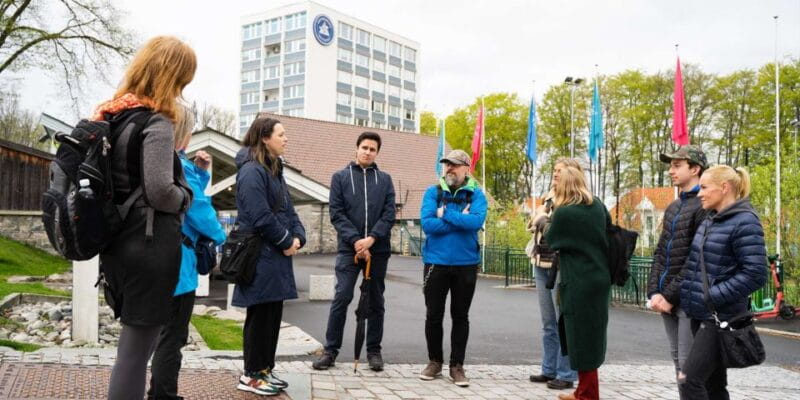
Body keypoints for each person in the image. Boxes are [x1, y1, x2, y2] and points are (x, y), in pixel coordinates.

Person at [96, 36, 196, 400]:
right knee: (137, 353)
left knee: (131, 349)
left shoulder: (115, 115)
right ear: (170, 75)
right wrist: (185, 196)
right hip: (149, 248)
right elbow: (160, 190)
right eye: (183, 80)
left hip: (119, 244)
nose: (184, 89)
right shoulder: (156, 122)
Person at [146, 105, 227, 400]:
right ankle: (164, 396)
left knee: (155, 336)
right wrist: (220, 234)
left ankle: (159, 392)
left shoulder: (157, 161)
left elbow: (188, 196)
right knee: (172, 338)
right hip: (178, 267)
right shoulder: (178, 164)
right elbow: (198, 209)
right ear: (183, 134)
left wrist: (202, 174)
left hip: (152, 260)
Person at [232, 116, 306, 396]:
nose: (286, 138)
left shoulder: (274, 169)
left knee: (272, 316)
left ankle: (264, 369)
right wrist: (286, 239)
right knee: (259, 316)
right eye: (281, 134)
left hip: (275, 256)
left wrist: (298, 236)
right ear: (265, 138)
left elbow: (289, 210)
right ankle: (251, 375)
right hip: (260, 256)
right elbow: (259, 215)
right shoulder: (252, 171)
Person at [679, 165, 767, 399]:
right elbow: (696, 265)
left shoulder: (745, 222)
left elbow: (756, 273)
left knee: (688, 380)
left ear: (724, 188)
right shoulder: (711, 219)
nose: (699, 193)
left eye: (705, 187)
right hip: (701, 314)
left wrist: (713, 296)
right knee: (713, 385)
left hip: (720, 317)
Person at [312, 132, 396, 371]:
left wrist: (371, 239)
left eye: (372, 149)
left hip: (377, 250)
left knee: (376, 301)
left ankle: (374, 351)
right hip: (349, 250)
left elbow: (389, 214)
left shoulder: (386, 180)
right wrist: (357, 241)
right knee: (342, 297)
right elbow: (336, 214)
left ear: (377, 153)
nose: (368, 152)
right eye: (364, 147)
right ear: (356, 148)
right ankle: (330, 350)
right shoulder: (340, 178)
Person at [418, 149, 488, 387]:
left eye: (455, 165)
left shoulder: (477, 195)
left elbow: (476, 222)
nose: (449, 168)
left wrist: (445, 214)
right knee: (433, 315)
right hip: (435, 263)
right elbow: (428, 224)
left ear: (466, 168)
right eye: (447, 164)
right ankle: (435, 361)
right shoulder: (432, 192)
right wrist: (459, 218)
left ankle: (457, 366)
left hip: (466, 264)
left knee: (461, 317)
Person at [544, 166, 610, 400]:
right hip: (599, 277)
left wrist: (545, 221)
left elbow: (551, 240)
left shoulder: (565, 212)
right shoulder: (599, 205)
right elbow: (609, 232)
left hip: (578, 280)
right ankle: (583, 389)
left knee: (580, 337)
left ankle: (588, 395)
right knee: (592, 335)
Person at [646, 145, 708, 389]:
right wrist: (654, 291)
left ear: (695, 169)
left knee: (688, 365)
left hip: (688, 299)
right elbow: (661, 251)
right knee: (678, 363)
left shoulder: (703, 206)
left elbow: (697, 257)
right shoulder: (673, 207)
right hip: (667, 298)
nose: (671, 170)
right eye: (670, 165)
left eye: (677, 165)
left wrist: (669, 295)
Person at [527, 158, 580, 390]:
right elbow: (531, 224)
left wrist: (544, 219)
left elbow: (559, 229)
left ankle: (566, 372)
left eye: (560, 171)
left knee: (564, 320)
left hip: (562, 265)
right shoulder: (548, 197)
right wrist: (540, 219)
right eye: (554, 170)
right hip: (541, 262)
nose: (555, 174)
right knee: (548, 321)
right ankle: (548, 369)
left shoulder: (574, 200)